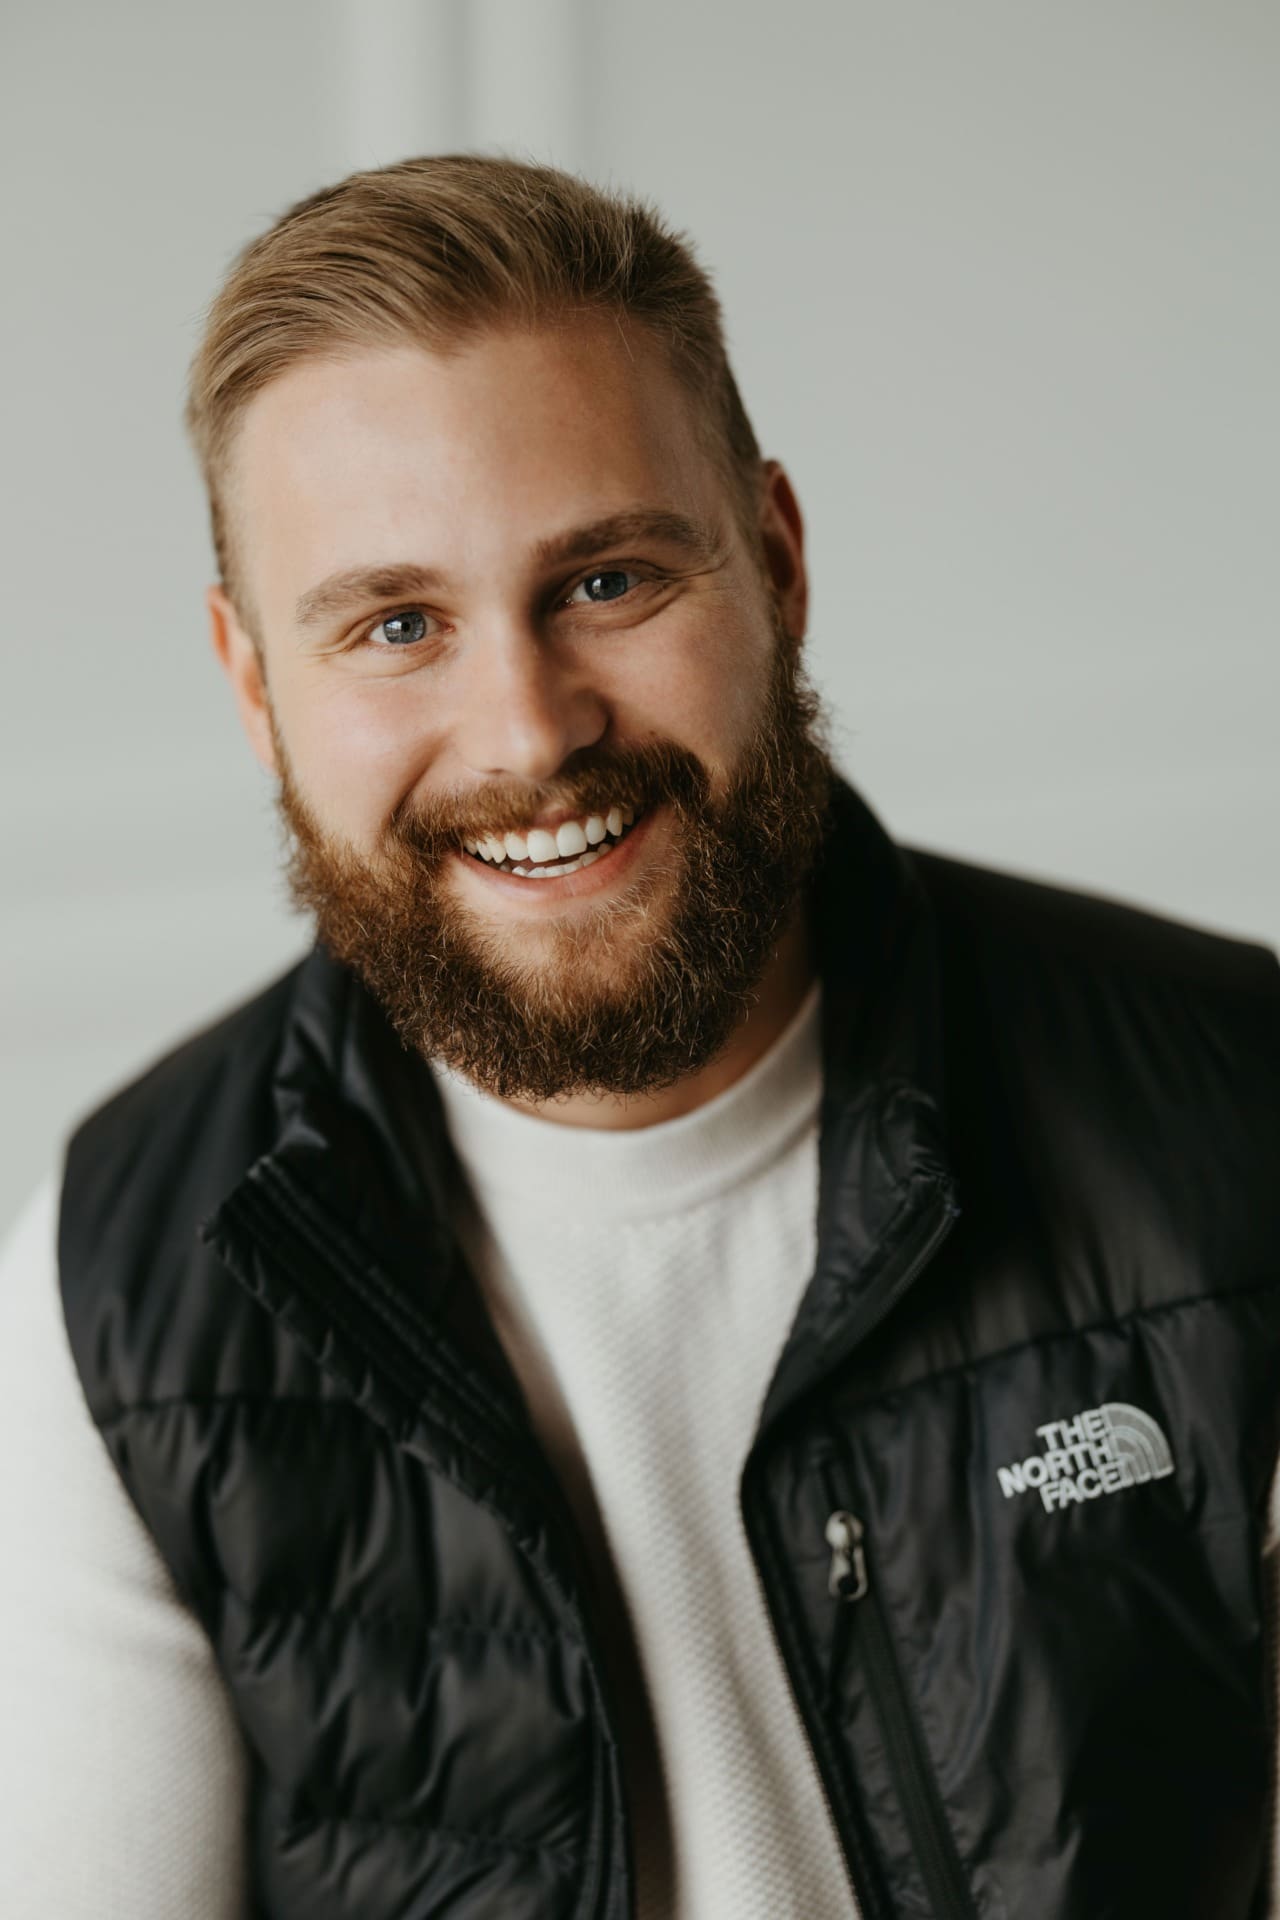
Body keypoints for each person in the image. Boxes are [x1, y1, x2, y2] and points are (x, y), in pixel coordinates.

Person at [1, 154, 1277, 1920]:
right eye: (395, 626)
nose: (528, 730)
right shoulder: (113, 1292)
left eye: (606, 581)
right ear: (254, 689)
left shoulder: (1239, 1113)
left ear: (776, 563)